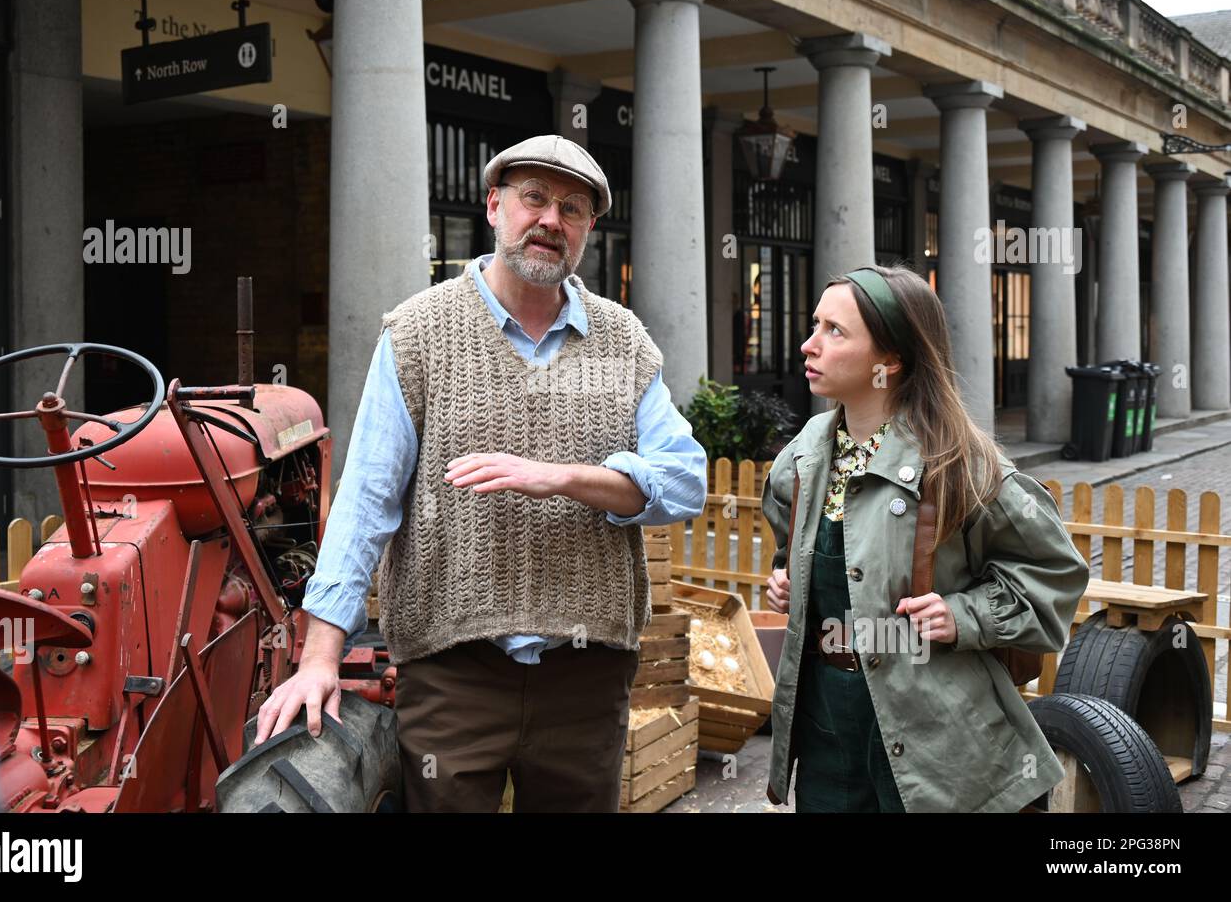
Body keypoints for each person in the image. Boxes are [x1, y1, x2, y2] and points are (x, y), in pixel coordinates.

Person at [254, 134, 707, 812]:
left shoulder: (622, 341)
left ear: (588, 230)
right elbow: (366, 498)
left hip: (586, 675)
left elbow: (686, 480)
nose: (551, 219)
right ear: (495, 206)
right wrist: (321, 654)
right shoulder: (417, 333)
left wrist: (565, 477)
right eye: (534, 198)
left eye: (574, 208)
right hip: (452, 672)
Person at [762, 263, 1088, 812]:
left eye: (834, 331)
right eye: (815, 325)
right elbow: (788, 545)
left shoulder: (962, 465)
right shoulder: (802, 455)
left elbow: (1052, 577)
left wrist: (961, 614)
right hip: (825, 723)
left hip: (937, 732)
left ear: (889, 361)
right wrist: (788, 584)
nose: (807, 345)